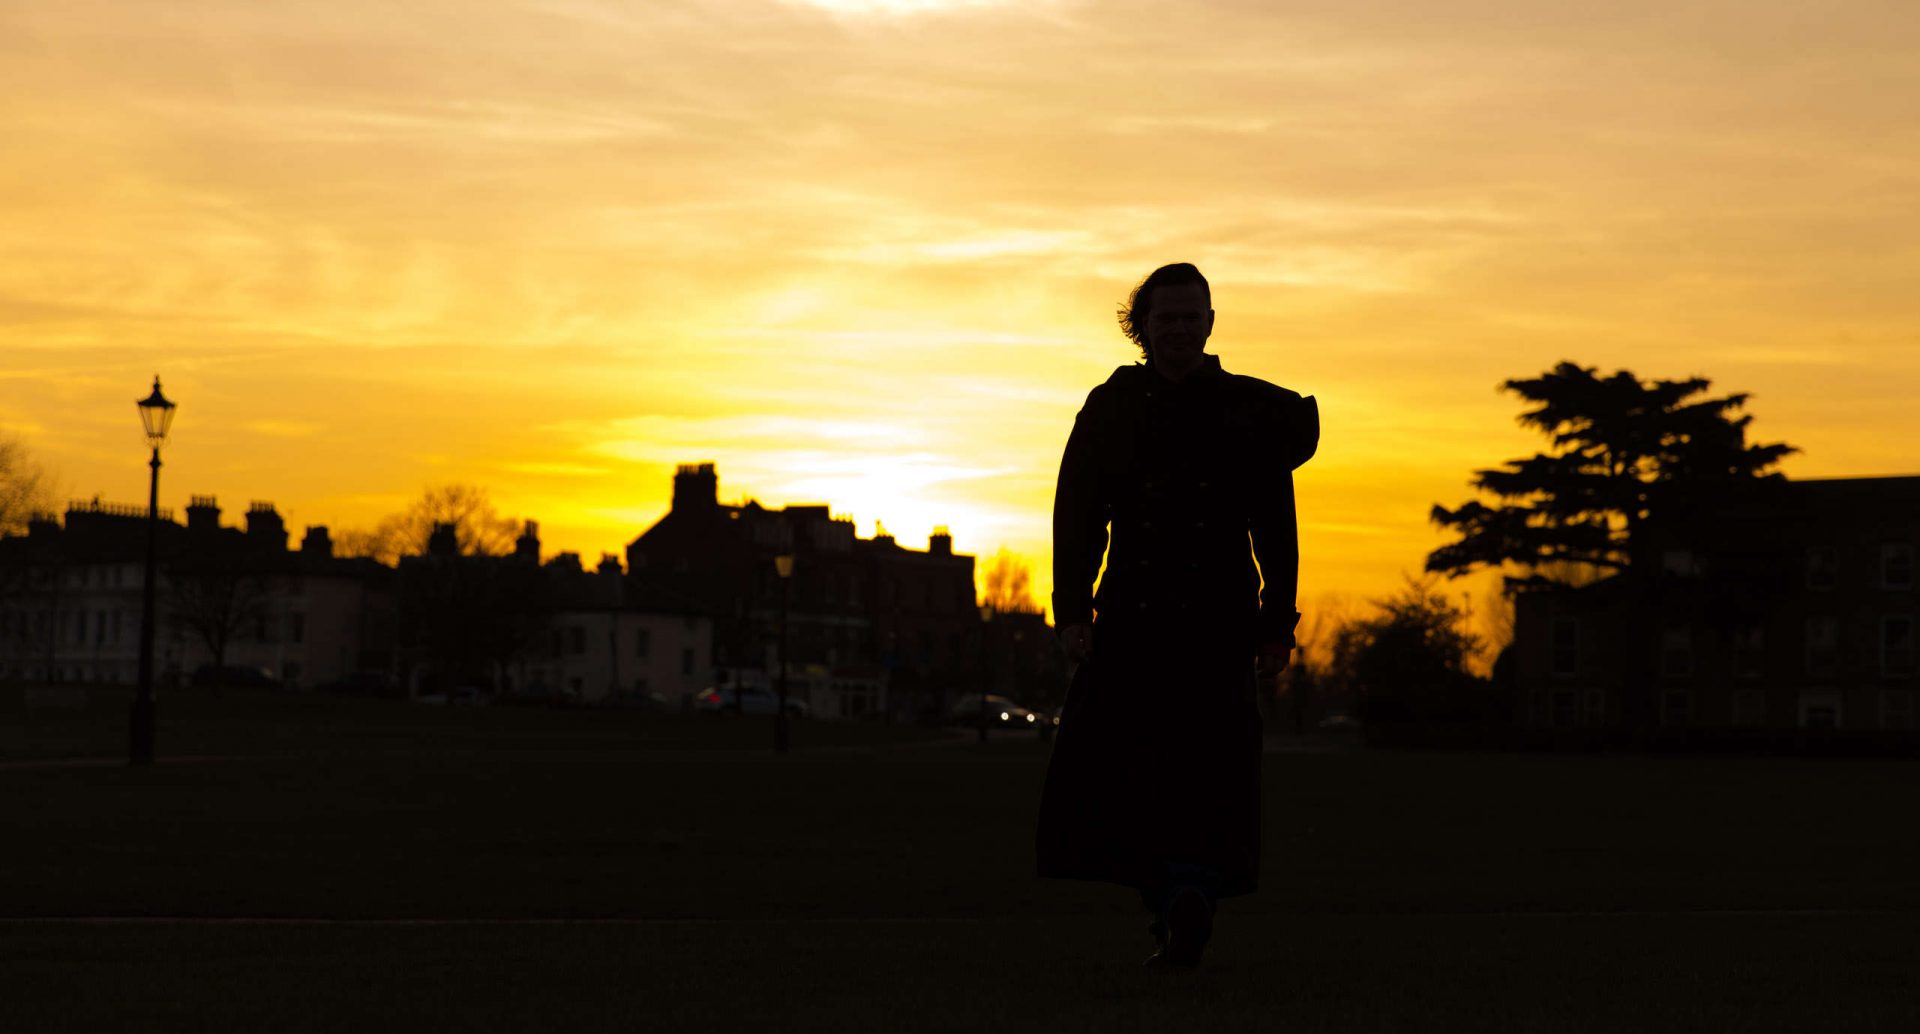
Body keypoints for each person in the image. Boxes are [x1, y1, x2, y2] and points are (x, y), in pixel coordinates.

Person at [1035, 262, 1317, 969]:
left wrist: (1277, 623)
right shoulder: (1112, 407)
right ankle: (1174, 905)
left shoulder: (1251, 412)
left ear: (1211, 323)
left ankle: (1185, 896)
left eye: (1194, 317)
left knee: (1208, 770)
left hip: (1219, 623)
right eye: (1168, 318)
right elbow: (1078, 517)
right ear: (1144, 326)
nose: (1182, 330)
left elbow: (1275, 527)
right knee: (1130, 772)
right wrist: (1074, 610)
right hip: (1130, 618)